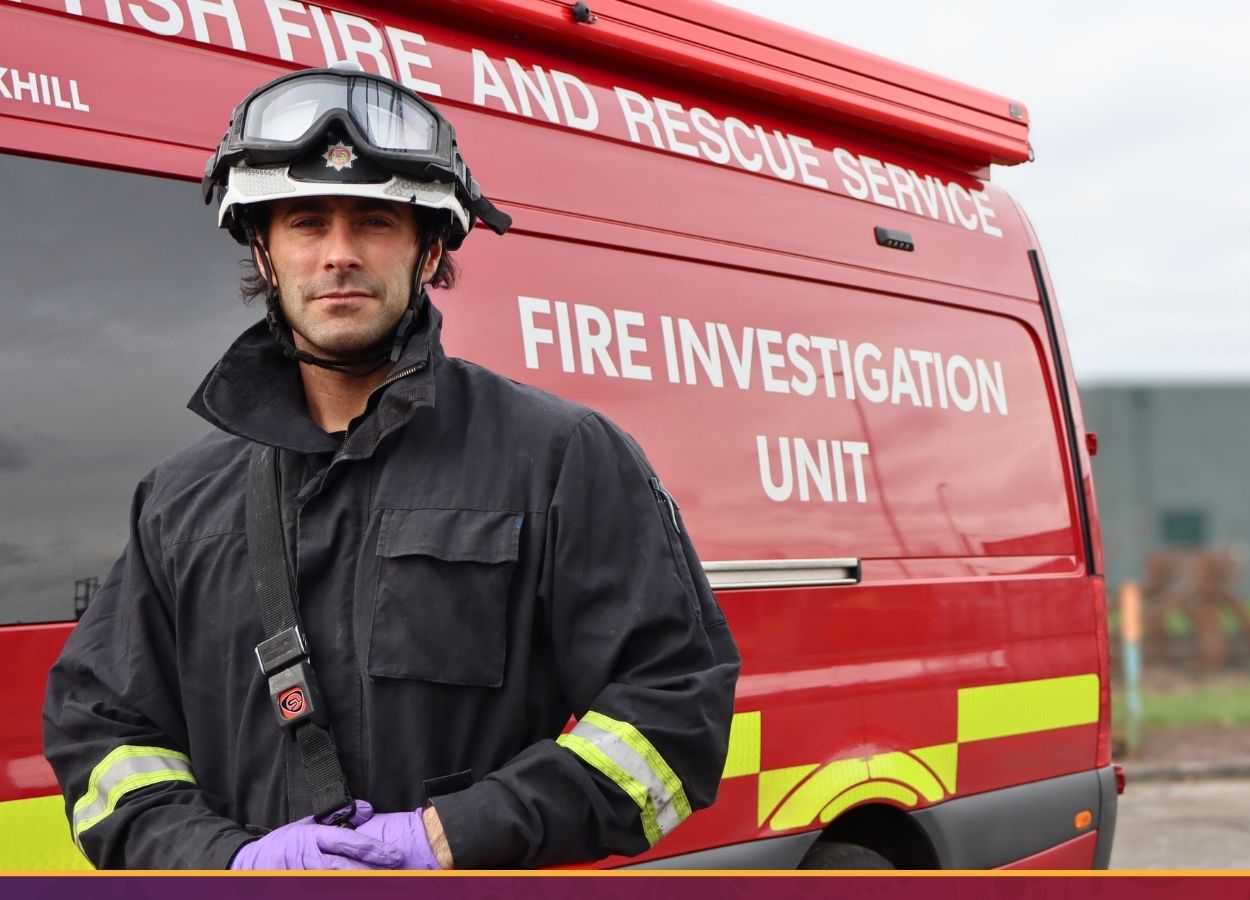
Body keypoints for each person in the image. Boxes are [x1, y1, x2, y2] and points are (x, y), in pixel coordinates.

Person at [42, 62, 740, 870]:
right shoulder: (177, 501)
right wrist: (225, 864)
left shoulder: (558, 458)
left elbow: (675, 711)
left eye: (375, 220)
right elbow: (102, 736)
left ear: (429, 245)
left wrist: (454, 835)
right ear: (264, 251)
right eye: (305, 222)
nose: (339, 254)